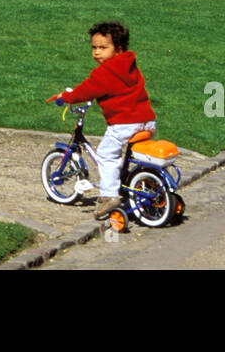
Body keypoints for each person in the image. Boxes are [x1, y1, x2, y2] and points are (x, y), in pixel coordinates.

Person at [48, 21, 155, 221]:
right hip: (146, 120)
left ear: (118, 48)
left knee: (106, 155)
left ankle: (109, 196)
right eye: (94, 47)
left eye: (103, 48)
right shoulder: (129, 65)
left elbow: (87, 89)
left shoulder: (105, 72)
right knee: (126, 158)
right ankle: (135, 184)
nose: (97, 52)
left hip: (124, 124)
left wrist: (65, 96)